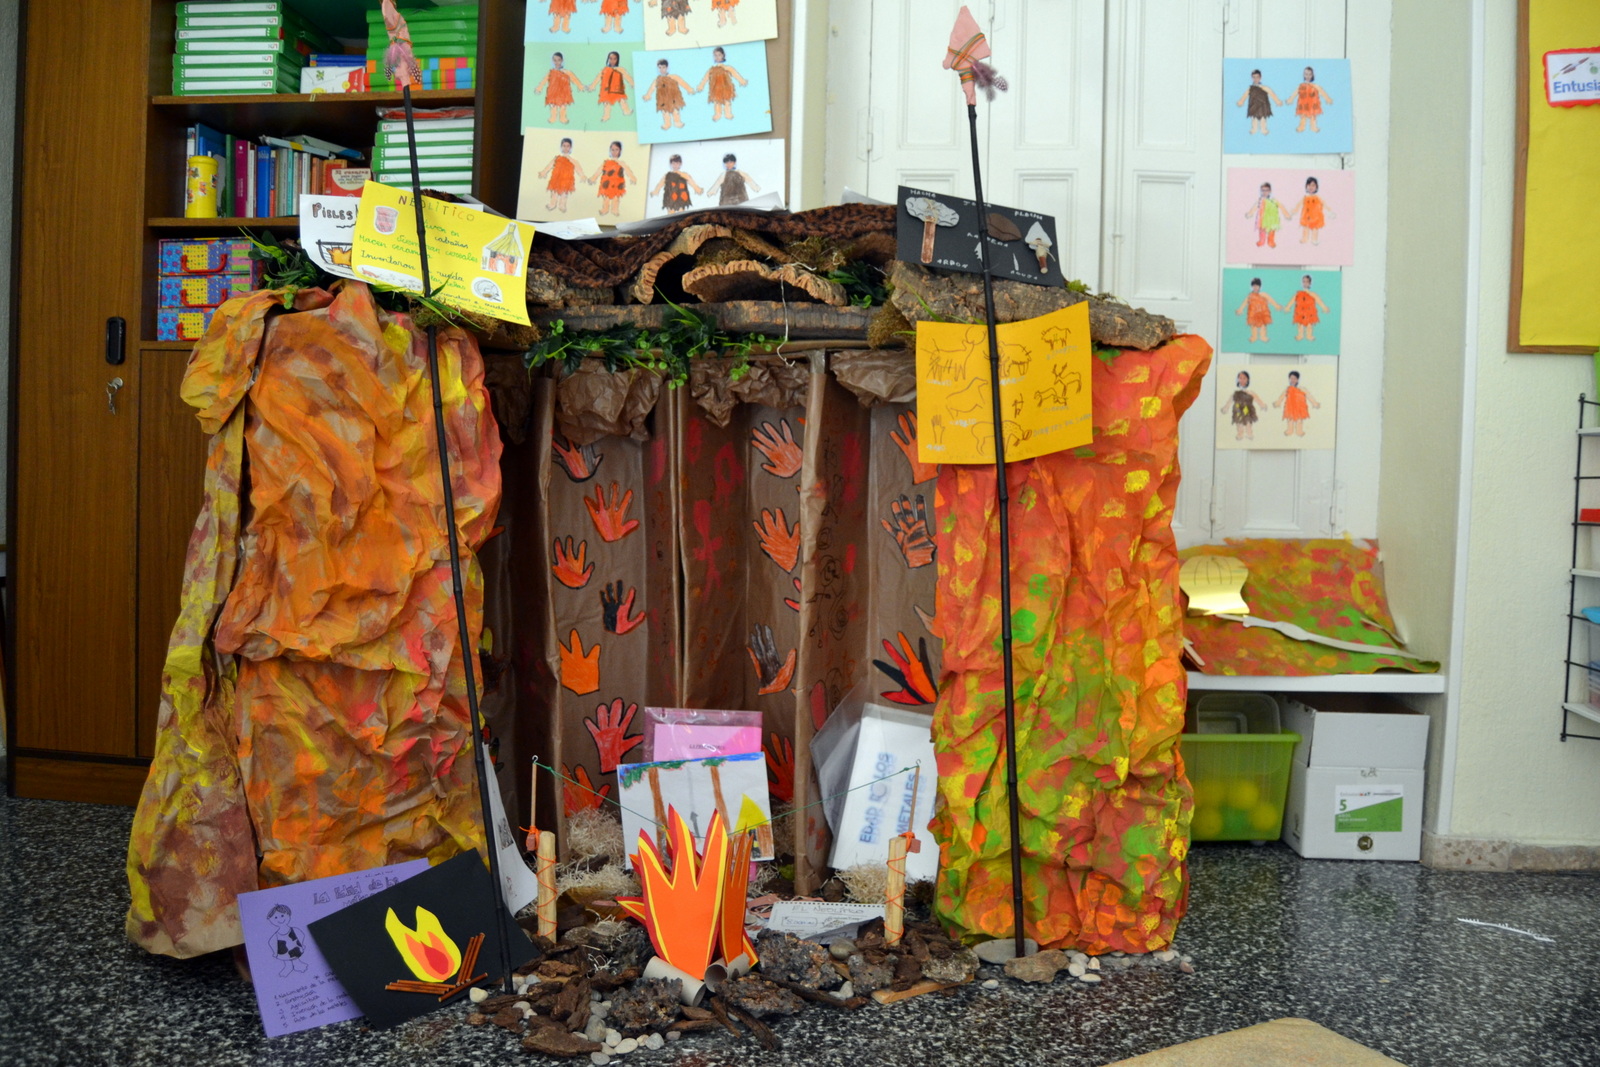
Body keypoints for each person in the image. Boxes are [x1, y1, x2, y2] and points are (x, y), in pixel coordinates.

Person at [694, 47, 749, 122]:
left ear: (723, 55)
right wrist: (701, 86)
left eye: (719, 55)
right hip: (716, 89)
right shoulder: (712, 69)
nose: (717, 57)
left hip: (726, 87)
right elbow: (705, 78)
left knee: (727, 101)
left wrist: (742, 81)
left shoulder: (727, 67)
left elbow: (735, 74)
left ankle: (728, 113)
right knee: (717, 102)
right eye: (715, 55)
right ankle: (718, 114)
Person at [642, 57, 696, 131]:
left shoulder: (674, 77)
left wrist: (689, 89)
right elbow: (652, 88)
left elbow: (682, 82)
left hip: (674, 98)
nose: (661, 70)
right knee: (665, 112)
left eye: (663, 67)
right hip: (663, 100)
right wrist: (648, 95)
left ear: (667, 67)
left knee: (675, 111)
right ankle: (667, 124)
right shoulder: (657, 80)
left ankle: (677, 122)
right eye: (660, 68)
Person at [538, 137, 590, 213]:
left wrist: (582, 175)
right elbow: (549, 165)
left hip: (566, 180)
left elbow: (578, 167)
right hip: (556, 178)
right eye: (564, 146)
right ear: (561, 146)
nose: (566, 148)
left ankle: (562, 205)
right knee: (554, 192)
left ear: (570, 147)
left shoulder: (572, 160)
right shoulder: (557, 158)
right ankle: (552, 204)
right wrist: (544, 172)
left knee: (564, 193)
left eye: (568, 146)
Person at [589, 140, 638, 218]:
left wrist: (632, 178)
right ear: (610, 150)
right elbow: (599, 170)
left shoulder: (621, 163)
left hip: (617, 184)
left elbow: (628, 170)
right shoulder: (606, 162)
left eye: (616, 150)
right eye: (612, 150)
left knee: (616, 198)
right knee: (606, 197)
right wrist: (593, 178)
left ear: (620, 151)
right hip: (606, 183)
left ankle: (615, 210)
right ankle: (605, 209)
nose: (614, 152)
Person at [533, 52, 585, 125]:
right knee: (553, 106)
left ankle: (563, 118)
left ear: (562, 60)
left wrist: (580, 86)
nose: (557, 62)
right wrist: (539, 88)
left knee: (563, 106)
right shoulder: (551, 72)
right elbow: (544, 80)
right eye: (555, 60)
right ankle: (553, 118)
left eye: (559, 60)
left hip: (563, 93)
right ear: (553, 61)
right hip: (553, 92)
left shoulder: (567, 72)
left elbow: (574, 79)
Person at [1234, 68, 1284, 136]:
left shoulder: (1264, 87)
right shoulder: (1250, 89)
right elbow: (1245, 95)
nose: (1256, 79)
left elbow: (1271, 93)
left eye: (1257, 77)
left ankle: (1263, 129)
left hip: (1263, 106)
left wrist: (1277, 101)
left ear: (1260, 77)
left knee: (1263, 118)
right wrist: (1241, 101)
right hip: (1253, 106)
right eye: (1254, 77)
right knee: (1254, 118)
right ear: (1252, 78)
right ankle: (1254, 129)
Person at [1234, 277, 1284, 345]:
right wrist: (1240, 309)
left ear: (1259, 286)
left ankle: (1263, 337)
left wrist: (1277, 306)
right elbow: (1244, 303)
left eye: (1257, 286)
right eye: (1254, 286)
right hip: (1253, 313)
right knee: (1253, 326)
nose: (1255, 287)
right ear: (1252, 286)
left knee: (1263, 326)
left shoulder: (1263, 294)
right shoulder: (1250, 296)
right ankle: (1254, 337)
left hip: (1262, 313)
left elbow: (1271, 300)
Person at [588, 50, 634, 122]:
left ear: (617, 59)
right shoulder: (605, 69)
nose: (612, 61)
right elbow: (598, 78)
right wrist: (592, 86)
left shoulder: (620, 69)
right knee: (606, 103)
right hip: (606, 90)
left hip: (617, 89)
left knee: (622, 100)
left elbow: (627, 76)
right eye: (610, 58)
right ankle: (606, 116)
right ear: (608, 59)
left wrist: (632, 83)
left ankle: (626, 111)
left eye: (614, 59)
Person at [266, 904, 309, 978]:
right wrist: (275, 952)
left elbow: (301, 935)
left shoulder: (294, 930)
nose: (280, 919)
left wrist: (302, 944)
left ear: (288, 915)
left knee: (296, 958)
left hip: (296, 948)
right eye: (275, 917)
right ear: (271, 920)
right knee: (286, 960)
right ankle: (288, 967)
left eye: (282, 916)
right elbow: (271, 943)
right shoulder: (276, 935)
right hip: (283, 951)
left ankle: (298, 964)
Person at [1221, 370, 1265, 442]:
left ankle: (1249, 433)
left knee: (1248, 423)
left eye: (1244, 378)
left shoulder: (1250, 392)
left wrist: (1262, 405)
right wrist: (1226, 408)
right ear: (1238, 379)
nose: (1242, 380)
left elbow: (1257, 399)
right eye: (1240, 378)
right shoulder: (1235, 393)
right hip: (1238, 410)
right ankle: (1240, 434)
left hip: (1248, 410)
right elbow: (1230, 401)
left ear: (1248, 380)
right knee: (1239, 423)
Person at [1273, 369, 1320, 437]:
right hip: (1290, 408)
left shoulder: (1302, 389)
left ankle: (1299, 431)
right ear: (1289, 379)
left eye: (1294, 378)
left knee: (1299, 421)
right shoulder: (1287, 389)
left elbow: (1309, 396)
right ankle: (1289, 431)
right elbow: (1281, 397)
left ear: (1297, 380)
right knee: (1290, 420)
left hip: (1299, 408)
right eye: (1291, 378)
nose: (1293, 380)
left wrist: (1315, 403)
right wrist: (1277, 403)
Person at [1287, 176, 1331, 245]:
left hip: (1315, 217)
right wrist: (1293, 212)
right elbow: (1298, 205)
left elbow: (1324, 204)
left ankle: (1314, 239)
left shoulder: (1317, 197)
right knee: (1305, 228)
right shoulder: (1305, 197)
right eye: (1309, 185)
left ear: (1316, 187)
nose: (1311, 187)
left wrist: (1329, 211)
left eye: (1313, 185)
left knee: (1315, 228)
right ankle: (1305, 239)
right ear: (1306, 186)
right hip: (1306, 217)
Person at [1290, 274, 1330, 342]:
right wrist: (1288, 307)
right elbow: (1292, 300)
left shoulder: (1312, 294)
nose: (1305, 283)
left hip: (1309, 312)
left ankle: (1309, 336)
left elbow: (1319, 301)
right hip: (1300, 312)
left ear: (1310, 283)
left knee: (1309, 325)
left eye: (1307, 282)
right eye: (1304, 281)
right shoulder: (1298, 293)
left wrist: (1324, 308)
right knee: (1299, 324)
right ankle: (1300, 335)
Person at [1244, 181, 1283, 249]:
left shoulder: (1273, 200)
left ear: (1270, 191)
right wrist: (1249, 213)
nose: (1264, 192)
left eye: (1266, 190)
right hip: (1262, 219)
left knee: (1271, 231)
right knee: (1262, 231)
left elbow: (1281, 206)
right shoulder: (1260, 200)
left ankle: (1271, 242)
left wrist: (1286, 214)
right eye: (1263, 190)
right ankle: (1261, 241)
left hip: (1272, 220)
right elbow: (1255, 207)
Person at [1295, 66, 1333, 134]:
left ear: (1312, 75)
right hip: (1303, 104)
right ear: (1304, 75)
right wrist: (1290, 99)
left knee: (1313, 116)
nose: (1308, 76)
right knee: (1303, 116)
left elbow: (1322, 92)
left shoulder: (1315, 86)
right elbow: (1295, 93)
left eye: (1310, 74)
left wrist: (1328, 99)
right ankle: (1301, 127)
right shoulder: (1301, 86)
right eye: (1306, 74)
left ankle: (1313, 127)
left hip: (1312, 104)